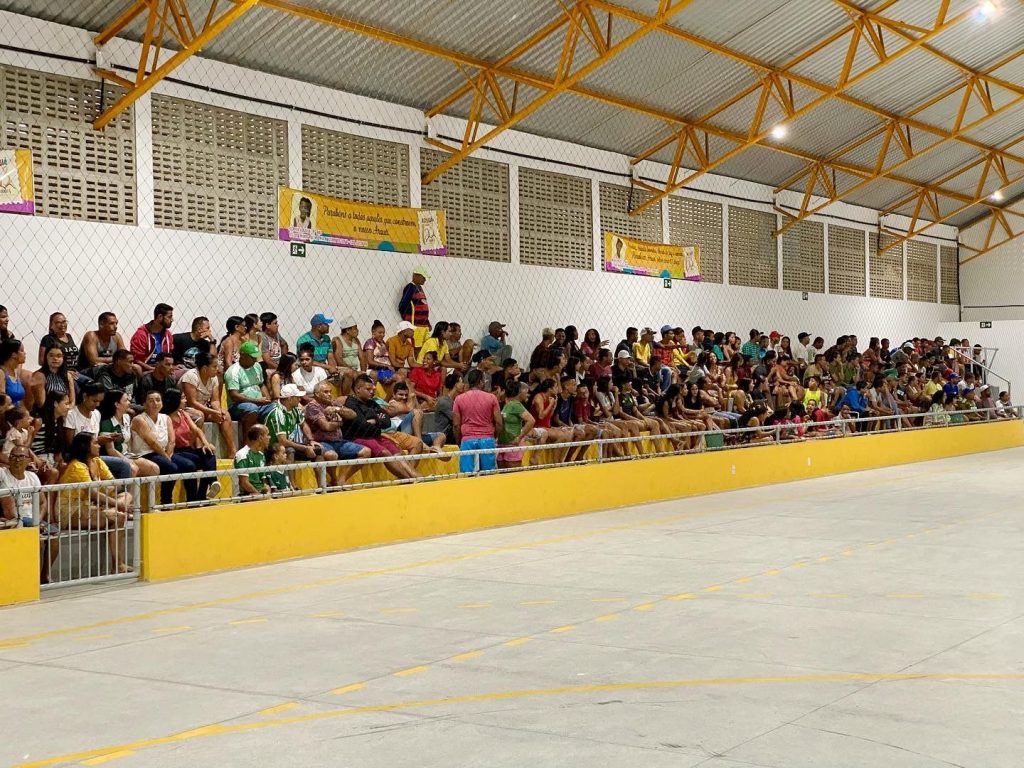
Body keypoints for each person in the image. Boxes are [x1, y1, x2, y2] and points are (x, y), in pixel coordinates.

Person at [58, 432, 133, 573]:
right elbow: (93, 494)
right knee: (119, 516)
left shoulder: (97, 461)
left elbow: (114, 484)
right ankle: (117, 565)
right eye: (95, 443)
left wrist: (110, 497)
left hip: (91, 504)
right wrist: (117, 504)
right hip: (71, 509)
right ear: (85, 446)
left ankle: (115, 510)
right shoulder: (77, 466)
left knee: (126, 495)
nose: (99, 446)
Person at [342, 374, 420, 480]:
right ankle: (408, 479)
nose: (372, 392)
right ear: (358, 389)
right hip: (357, 438)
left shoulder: (372, 403)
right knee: (385, 452)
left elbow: (387, 421)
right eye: (368, 389)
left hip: (375, 436)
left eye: (372, 389)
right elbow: (363, 426)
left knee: (397, 452)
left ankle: (416, 476)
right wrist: (377, 419)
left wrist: (374, 421)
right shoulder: (351, 403)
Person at [305, 381, 371, 487]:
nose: (329, 394)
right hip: (322, 442)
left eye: (330, 391)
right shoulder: (313, 406)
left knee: (366, 452)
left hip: (339, 441)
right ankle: (334, 480)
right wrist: (340, 423)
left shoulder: (333, 403)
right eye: (326, 392)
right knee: (331, 455)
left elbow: (353, 415)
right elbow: (326, 427)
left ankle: (342, 479)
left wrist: (337, 409)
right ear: (317, 394)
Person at [64, 380, 132, 480]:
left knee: (125, 465)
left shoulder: (97, 414)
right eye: (95, 401)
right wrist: (97, 440)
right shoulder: (71, 415)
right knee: (123, 466)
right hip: (79, 457)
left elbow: (94, 440)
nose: (98, 404)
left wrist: (106, 438)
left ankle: (120, 490)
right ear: (85, 396)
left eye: (100, 401)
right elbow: (70, 444)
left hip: (94, 457)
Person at [162, 388, 220, 501]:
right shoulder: (165, 418)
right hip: (175, 451)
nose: (185, 400)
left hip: (187, 449)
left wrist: (206, 443)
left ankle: (210, 486)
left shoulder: (183, 413)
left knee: (209, 453)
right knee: (190, 465)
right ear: (175, 401)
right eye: (182, 398)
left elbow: (197, 430)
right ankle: (192, 499)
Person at [264, 384, 333, 473]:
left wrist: (310, 440)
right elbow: (282, 441)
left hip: (288, 444)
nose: (300, 399)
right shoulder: (277, 413)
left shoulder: (294, 409)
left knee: (318, 450)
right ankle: (290, 482)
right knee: (290, 451)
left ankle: (321, 482)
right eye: (297, 397)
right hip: (273, 448)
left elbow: (303, 425)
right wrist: (305, 448)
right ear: (290, 399)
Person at [98, 389, 160, 481]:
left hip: (127, 454)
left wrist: (132, 456)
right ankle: (125, 489)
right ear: (117, 404)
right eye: (126, 400)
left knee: (154, 469)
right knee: (133, 469)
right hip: (114, 456)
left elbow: (129, 441)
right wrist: (128, 461)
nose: (129, 403)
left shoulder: (127, 417)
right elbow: (111, 450)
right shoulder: (106, 423)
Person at [181, 351, 235, 456]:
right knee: (199, 415)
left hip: (205, 408)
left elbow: (215, 400)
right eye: (214, 367)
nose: (218, 369)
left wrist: (217, 411)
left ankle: (232, 451)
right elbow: (192, 402)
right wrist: (212, 411)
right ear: (205, 368)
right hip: (187, 409)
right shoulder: (191, 376)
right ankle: (200, 450)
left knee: (225, 415)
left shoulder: (214, 378)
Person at [452, 369, 502, 474]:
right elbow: (498, 422)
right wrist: (494, 436)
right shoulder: (492, 398)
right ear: (480, 382)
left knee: (466, 474)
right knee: (488, 474)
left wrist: (459, 440)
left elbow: (456, 424)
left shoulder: (459, 399)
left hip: (467, 439)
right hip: (487, 439)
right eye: (484, 380)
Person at [225, 341, 275, 435]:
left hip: (259, 403)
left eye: (255, 357)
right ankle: (248, 441)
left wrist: (267, 398)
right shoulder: (233, 371)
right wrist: (257, 401)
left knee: (275, 408)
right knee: (251, 408)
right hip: (238, 406)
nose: (255, 360)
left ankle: (270, 440)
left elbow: (261, 385)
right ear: (243, 356)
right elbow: (234, 395)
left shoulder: (257, 366)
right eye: (252, 357)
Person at [498, 380, 537, 469]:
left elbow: (531, 421)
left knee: (513, 473)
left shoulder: (516, 405)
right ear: (519, 391)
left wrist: (519, 437)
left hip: (512, 444)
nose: (527, 394)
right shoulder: (506, 404)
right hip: (502, 443)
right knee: (502, 474)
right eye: (526, 392)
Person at [130, 303, 174, 373]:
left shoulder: (168, 334)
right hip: (147, 369)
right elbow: (137, 360)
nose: (172, 320)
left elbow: (170, 355)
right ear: (160, 317)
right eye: (169, 317)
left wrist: (172, 367)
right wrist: (153, 369)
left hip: (164, 369)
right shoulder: (141, 335)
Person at [399, 266, 431, 350]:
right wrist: (408, 321)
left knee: (425, 348)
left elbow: (422, 307)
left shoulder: (420, 288)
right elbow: (402, 305)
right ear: (415, 275)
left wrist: (427, 322)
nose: (425, 280)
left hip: (424, 325)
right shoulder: (410, 287)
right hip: (416, 325)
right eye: (423, 277)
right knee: (417, 347)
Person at [234, 424, 271, 496]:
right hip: (248, 495)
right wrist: (259, 495)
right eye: (267, 435)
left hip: (261, 493)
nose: (269, 437)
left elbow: (263, 480)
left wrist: (267, 489)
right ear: (260, 438)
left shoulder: (261, 455)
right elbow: (244, 483)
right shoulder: (242, 455)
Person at [332, 316, 363, 392]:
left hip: (355, 369)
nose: (357, 330)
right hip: (342, 369)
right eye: (355, 328)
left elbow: (362, 358)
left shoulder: (356, 340)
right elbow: (339, 360)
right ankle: (347, 396)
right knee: (351, 373)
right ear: (348, 330)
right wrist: (353, 370)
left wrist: (363, 371)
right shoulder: (338, 340)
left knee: (370, 376)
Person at [0, 339, 29, 407]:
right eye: (22, 350)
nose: (25, 353)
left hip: (17, 410)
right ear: (14, 355)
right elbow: (2, 403)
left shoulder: (15, 372)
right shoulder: (1, 373)